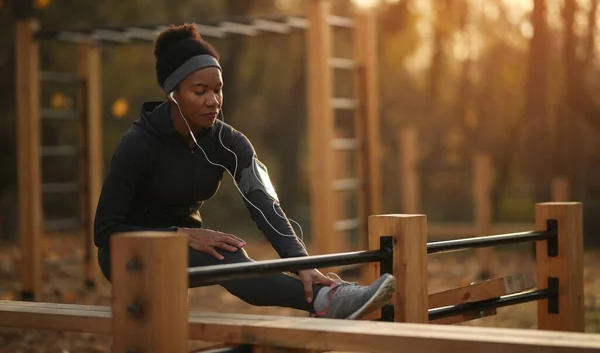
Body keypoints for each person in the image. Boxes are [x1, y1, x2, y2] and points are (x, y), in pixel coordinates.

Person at [93, 23, 395, 320]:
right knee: (225, 256)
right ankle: (326, 301)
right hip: (125, 254)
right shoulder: (138, 144)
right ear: (173, 94)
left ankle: (325, 295)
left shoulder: (230, 142)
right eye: (200, 91)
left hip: (187, 250)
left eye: (218, 90)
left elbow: (265, 205)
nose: (213, 101)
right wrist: (180, 235)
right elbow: (105, 231)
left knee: (220, 258)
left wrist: (301, 262)